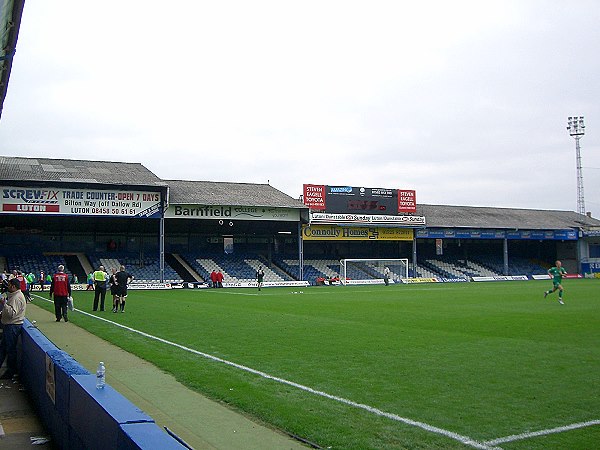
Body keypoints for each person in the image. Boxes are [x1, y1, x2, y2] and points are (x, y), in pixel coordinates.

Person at [0, 278, 27, 379]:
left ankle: (11, 372)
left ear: (14, 286)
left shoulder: (16, 297)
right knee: (3, 348)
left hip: (13, 326)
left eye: (9, 285)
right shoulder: (15, 296)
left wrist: (4, 304)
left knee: (10, 349)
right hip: (11, 325)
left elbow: (11, 313)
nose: (8, 287)